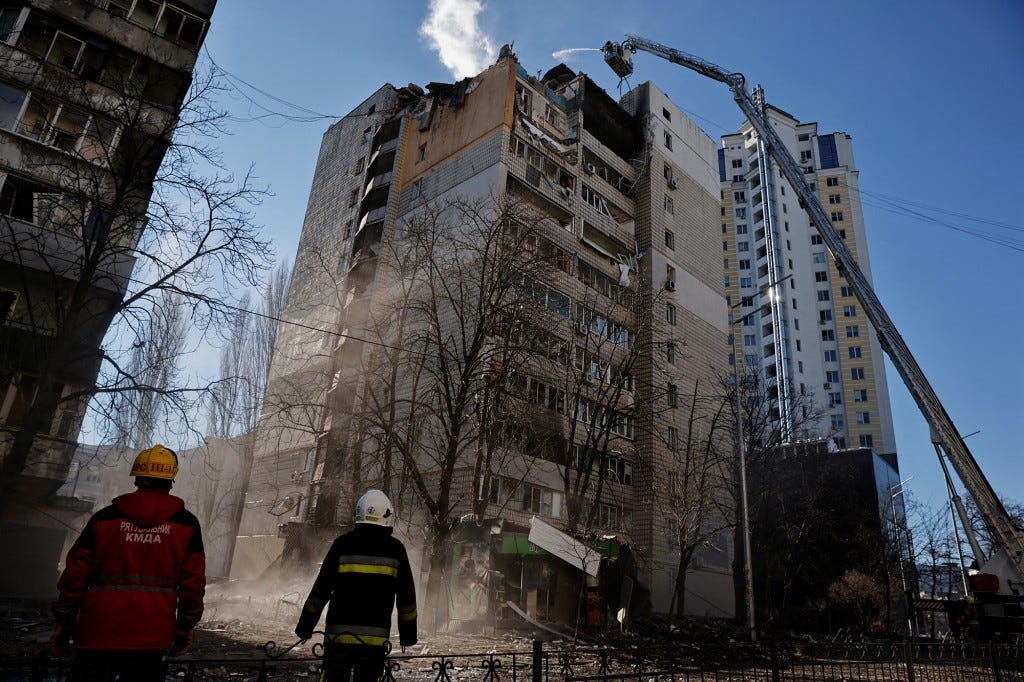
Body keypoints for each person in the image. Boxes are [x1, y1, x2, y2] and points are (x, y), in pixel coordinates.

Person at [51, 444, 206, 681]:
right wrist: (185, 627)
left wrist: (64, 621)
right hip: (152, 637)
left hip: (97, 632)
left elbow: (75, 575)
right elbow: (193, 585)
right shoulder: (186, 525)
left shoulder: (105, 518)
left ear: (138, 477)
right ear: (170, 478)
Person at [295, 489, 417, 682]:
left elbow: (321, 591)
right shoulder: (395, 550)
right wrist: (408, 636)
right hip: (374, 641)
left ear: (357, 514)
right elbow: (407, 598)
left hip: (338, 638)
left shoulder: (342, 545)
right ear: (386, 515)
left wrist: (305, 628)